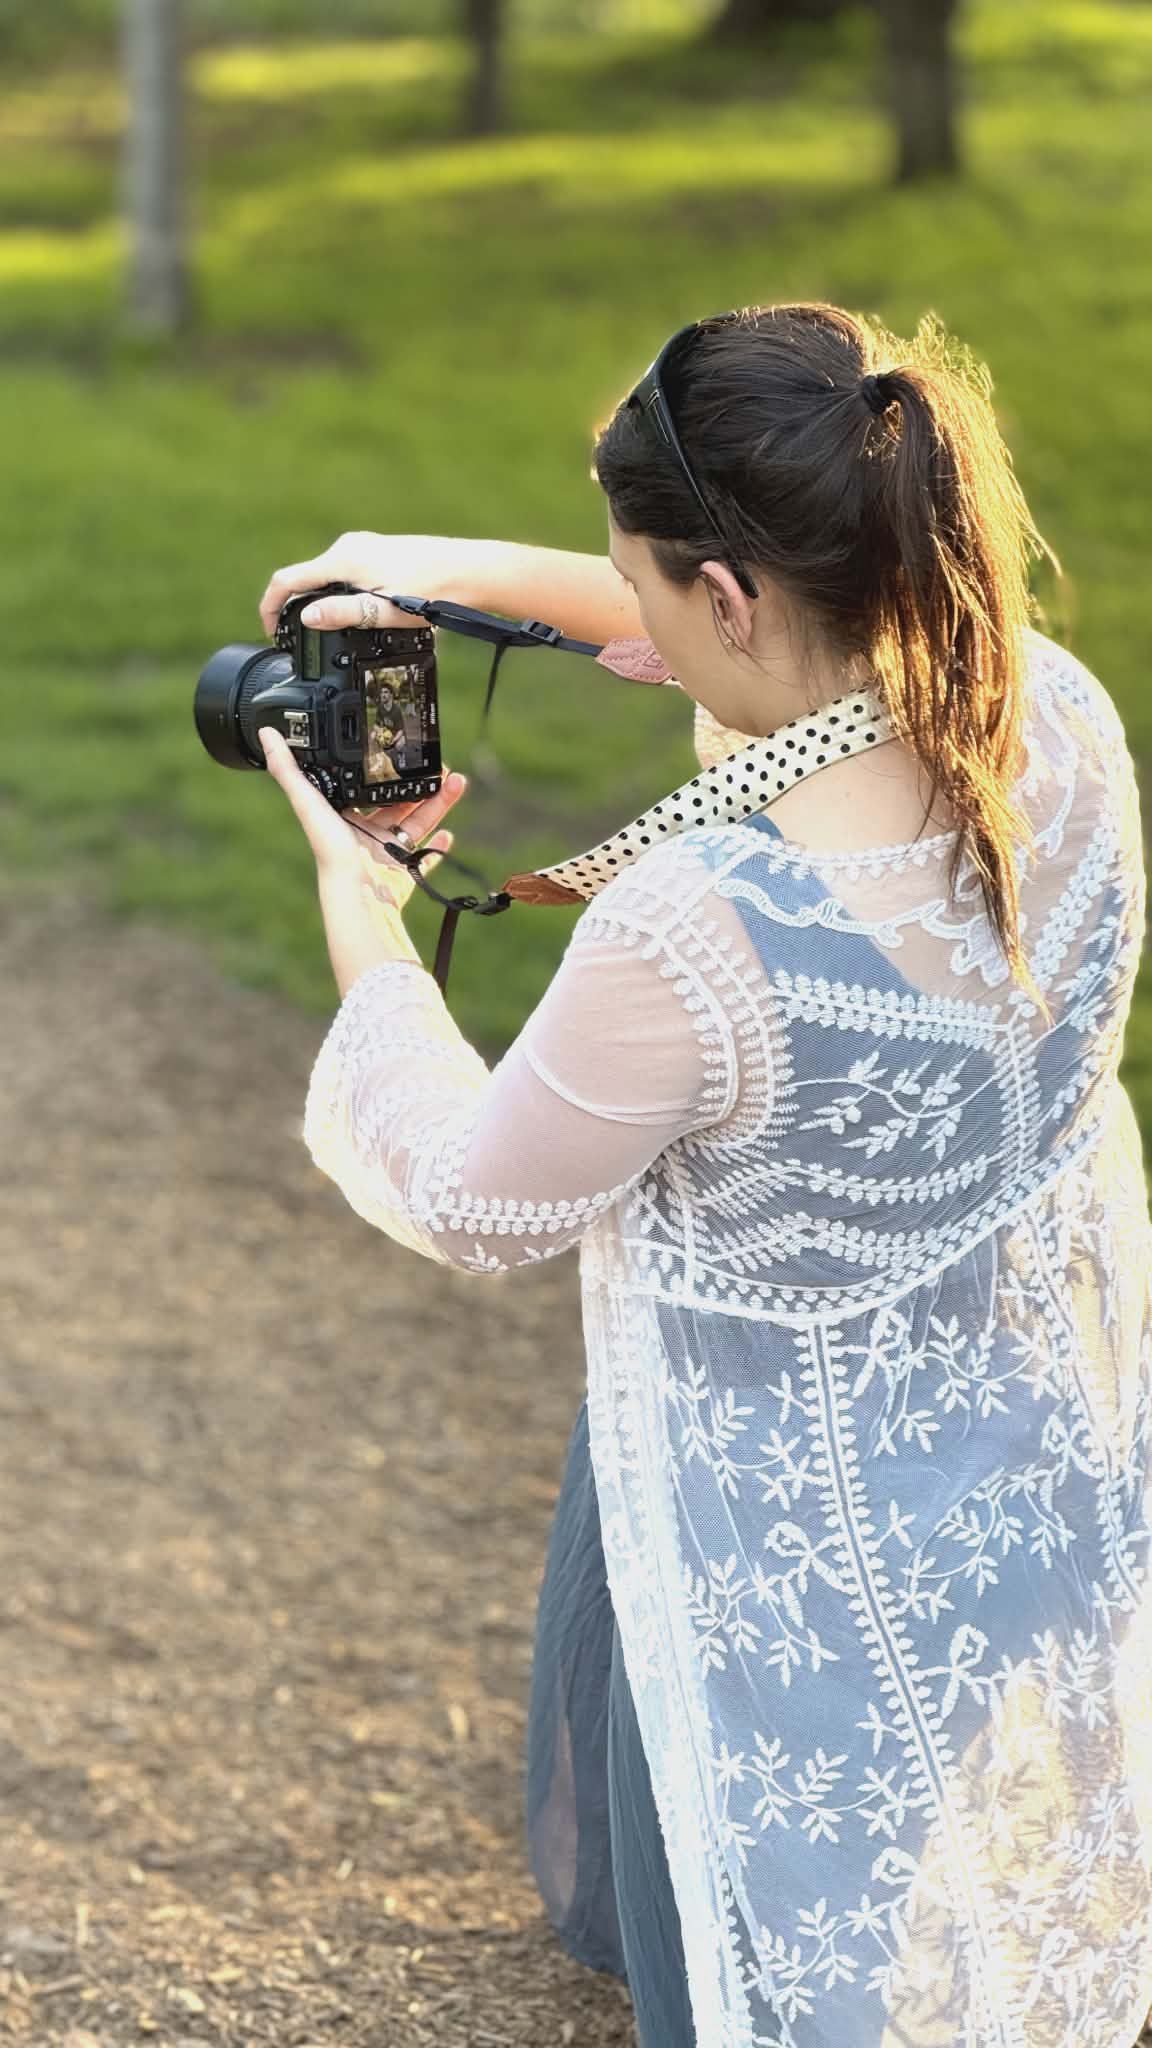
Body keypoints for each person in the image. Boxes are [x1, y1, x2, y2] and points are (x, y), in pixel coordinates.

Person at [255, 301, 1152, 2048]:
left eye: (652, 592)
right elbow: (765, 650)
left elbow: (473, 1196)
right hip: (1019, 1422)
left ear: (728, 600)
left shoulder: (702, 932)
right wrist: (409, 566)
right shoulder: (1050, 716)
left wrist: (363, 911)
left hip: (790, 1502)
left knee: (773, 1944)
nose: (639, 624)